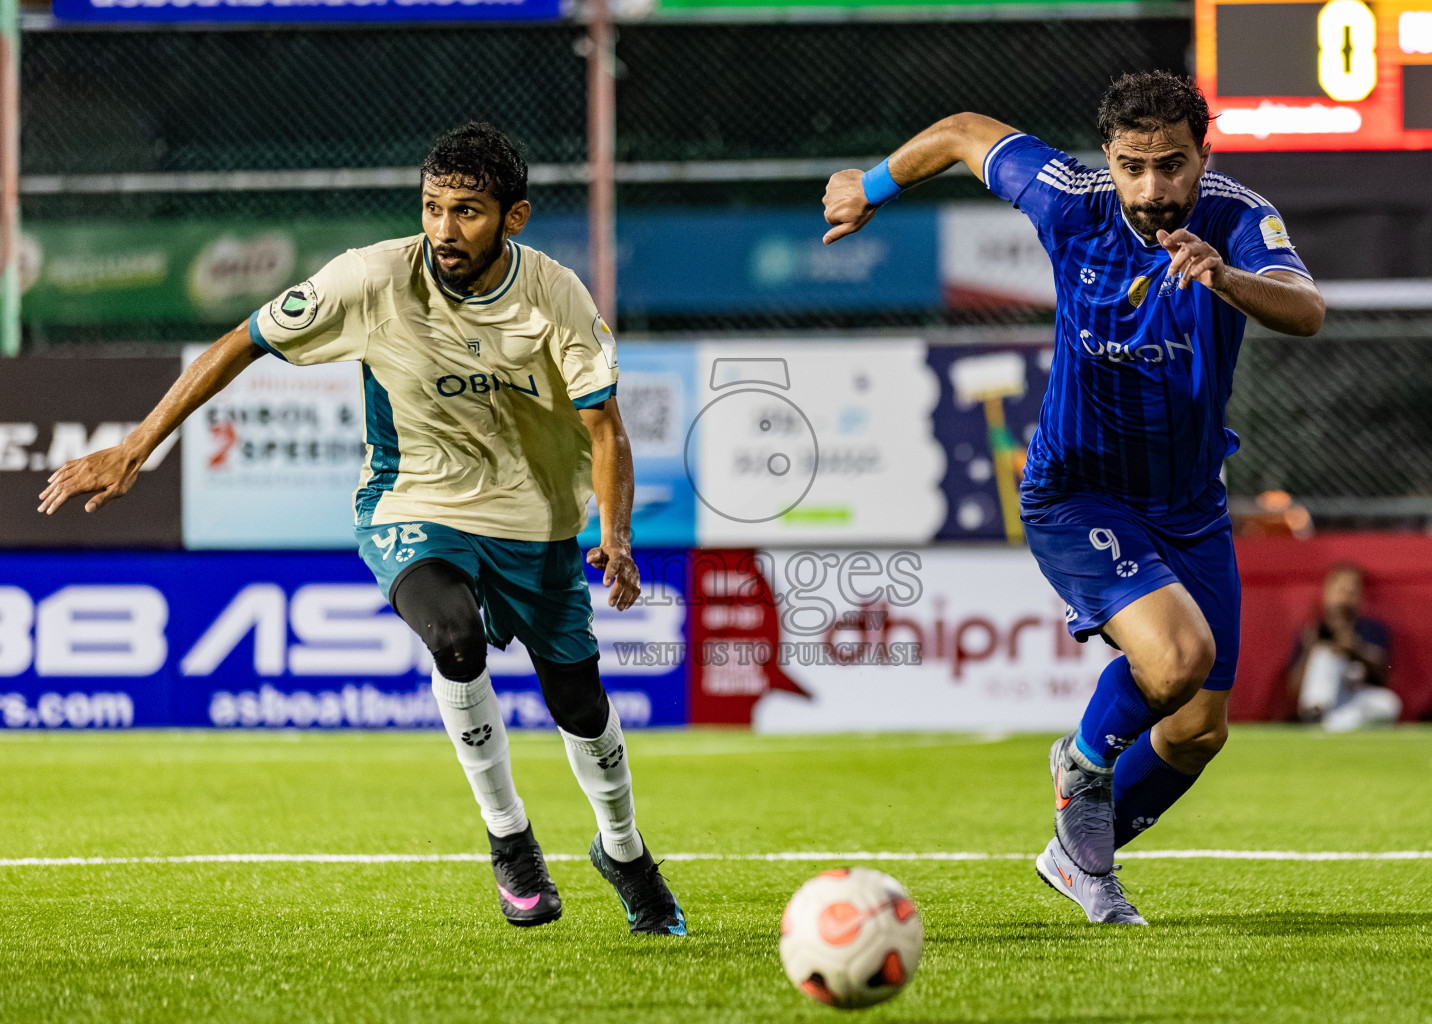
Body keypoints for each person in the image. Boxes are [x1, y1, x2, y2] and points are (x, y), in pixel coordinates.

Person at [36, 122, 686, 937]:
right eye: (432, 207)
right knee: (454, 637)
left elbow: (604, 429)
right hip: (412, 504)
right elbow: (244, 341)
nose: (444, 229)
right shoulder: (372, 279)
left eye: (468, 211)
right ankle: (510, 838)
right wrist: (137, 445)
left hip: (539, 522)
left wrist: (616, 538)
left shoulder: (556, 297)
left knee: (580, 703)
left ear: (513, 218)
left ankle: (624, 851)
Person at [823, 72, 1324, 925]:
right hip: (1076, 492)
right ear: (1109, 159)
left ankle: (1077, 855)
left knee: (1198, 729)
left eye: (1173, 165)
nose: (1153, 188)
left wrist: (1224, 276)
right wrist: (869, 188)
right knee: (1175, 660)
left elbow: (1307, 309)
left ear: (1204, 155)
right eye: (1134, 166)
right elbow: (963, 127)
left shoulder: (1237, 218)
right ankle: (1082, 765)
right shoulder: (1069, 200)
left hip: (1188, 505)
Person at [1289, 563, 1398, 732]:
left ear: (1360, 596)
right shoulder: (1314, 630)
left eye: (1351, 592)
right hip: (1319, 699)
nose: (1345, 598)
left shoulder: (1372, 629)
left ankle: (1331, 724)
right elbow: (1294, 687)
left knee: (1389, 704)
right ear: (1327, 593)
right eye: (1340, 591)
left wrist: (1354, 649)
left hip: (1356, 698)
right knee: (1325, 655)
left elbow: (1383, 674)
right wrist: (1311, 650)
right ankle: (1318, 715)